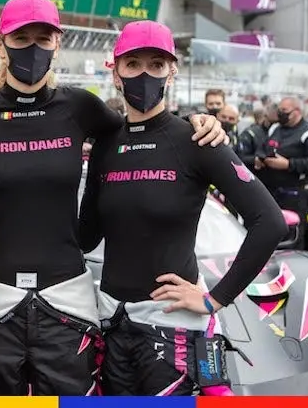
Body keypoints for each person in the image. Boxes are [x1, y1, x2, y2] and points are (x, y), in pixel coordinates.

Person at [0, 0, 225, 396]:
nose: (33, 48)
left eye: (43, 38)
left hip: (68, 307)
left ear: (58, 44)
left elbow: (147, 130)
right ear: (0, 44)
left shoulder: (81, 107)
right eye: (21, 38)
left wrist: (199, 124)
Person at [78, 20, 287, 396]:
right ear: (116, 73)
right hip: (110, 322)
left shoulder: (197, 138)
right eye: (133, 64)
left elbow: (270, 222)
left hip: (172, 329)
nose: (144, 74)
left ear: (172, 71)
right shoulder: (106, 145)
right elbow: (86, 235)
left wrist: (214, 298)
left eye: (156, 65)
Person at [255, 97, 308, 249]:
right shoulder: (275, 128)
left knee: (291, 236)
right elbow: (263, 147)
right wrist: (260, 158)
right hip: (271, 191)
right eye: (279, 110)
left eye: (284, 111)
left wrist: (289, 164)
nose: (280, 113)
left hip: (295, 193)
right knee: (268, 234)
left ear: (297, 112)